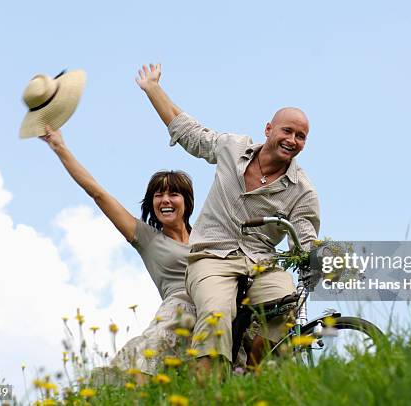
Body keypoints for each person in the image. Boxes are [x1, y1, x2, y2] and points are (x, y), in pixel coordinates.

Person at [136, 63, 321, 370]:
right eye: (287, 130)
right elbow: (189, 132)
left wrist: (323, 257)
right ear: (269, 129)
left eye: (301, 136)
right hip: (212, 256)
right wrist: (153, 89)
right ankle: (210, 394)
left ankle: (252, 377)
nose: (292, 140)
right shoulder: (233, 149)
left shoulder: (303, 191)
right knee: (216, 315)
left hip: (261, 264)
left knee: (287, 302)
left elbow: (305, 239)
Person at [40, 126, 196, 378]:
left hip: (216, 307)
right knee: (141, 364)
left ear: (187, 202)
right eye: (159, 195)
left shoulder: (207, 236)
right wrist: (59, 147)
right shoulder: (147, 238)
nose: (165, 200)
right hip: (178, 312)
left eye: (173, 194)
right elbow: (98, 193)